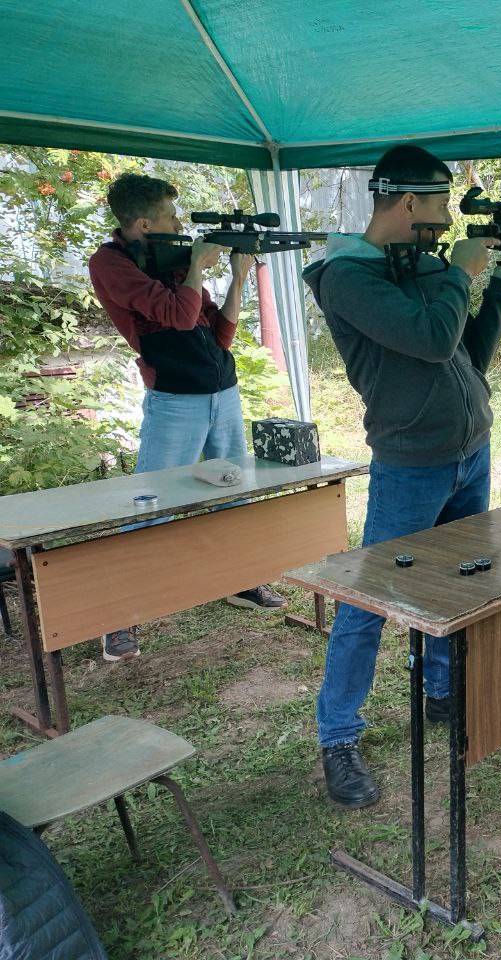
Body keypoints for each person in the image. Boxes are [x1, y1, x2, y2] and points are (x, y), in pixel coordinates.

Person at [302, 145, 501, 809]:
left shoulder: (423, 268)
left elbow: (466, 356)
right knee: (369, 601)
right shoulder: (347, 277)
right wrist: (460, 273)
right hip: (409, 464)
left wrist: (492, 291)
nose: (444, 222)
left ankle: (440, 693)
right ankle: (337, 736)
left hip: (469, 452)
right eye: (438, 207)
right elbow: (432, 338)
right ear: (407, 203)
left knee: (458, 585)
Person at [88, 174, 287, 663]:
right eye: (171, 217)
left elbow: (219, 336)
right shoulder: (111, 264)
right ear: (141, 224)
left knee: (232, 490)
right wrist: (198, 264)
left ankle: (240, 581)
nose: (179, 225)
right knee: (147, 502)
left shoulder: (173, 261)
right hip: (176, 399)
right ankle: (118, 615)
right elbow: (176, 317)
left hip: (223, 390)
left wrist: (237, 276)